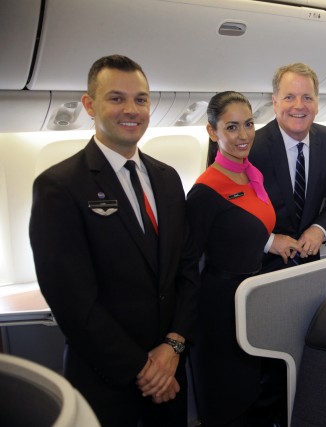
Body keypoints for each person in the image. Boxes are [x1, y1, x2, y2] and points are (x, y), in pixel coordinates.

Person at [29, 55, 199, 426]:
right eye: (116, 98)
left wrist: (173, 346)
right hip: (106, 380)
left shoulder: (168, 179)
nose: (131, 110)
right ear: (90, 105)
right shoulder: (60, 186)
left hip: (170, 373)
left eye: (140, 99)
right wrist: (144, 369)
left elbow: (185, 271)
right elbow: (73, 302)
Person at [185, 92, 278, 426]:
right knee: (227, 403)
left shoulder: (252, 176)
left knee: (254, 394)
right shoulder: (206, 190)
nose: (244, 135)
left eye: (249, 124)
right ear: (213, 132)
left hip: (251, 299)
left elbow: (244, 230)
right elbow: (187, 260)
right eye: (232, 127)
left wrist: (273, 242)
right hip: (218, 310)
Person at [249, 62, 326, 273]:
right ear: (275, 103)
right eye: (289, 97)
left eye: (307, 97)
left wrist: (319, 229)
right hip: (261, 263)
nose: (299, 105)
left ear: (317, 103)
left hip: (308, 261)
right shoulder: (251, 147)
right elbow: (234, 213)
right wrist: (269, 241)